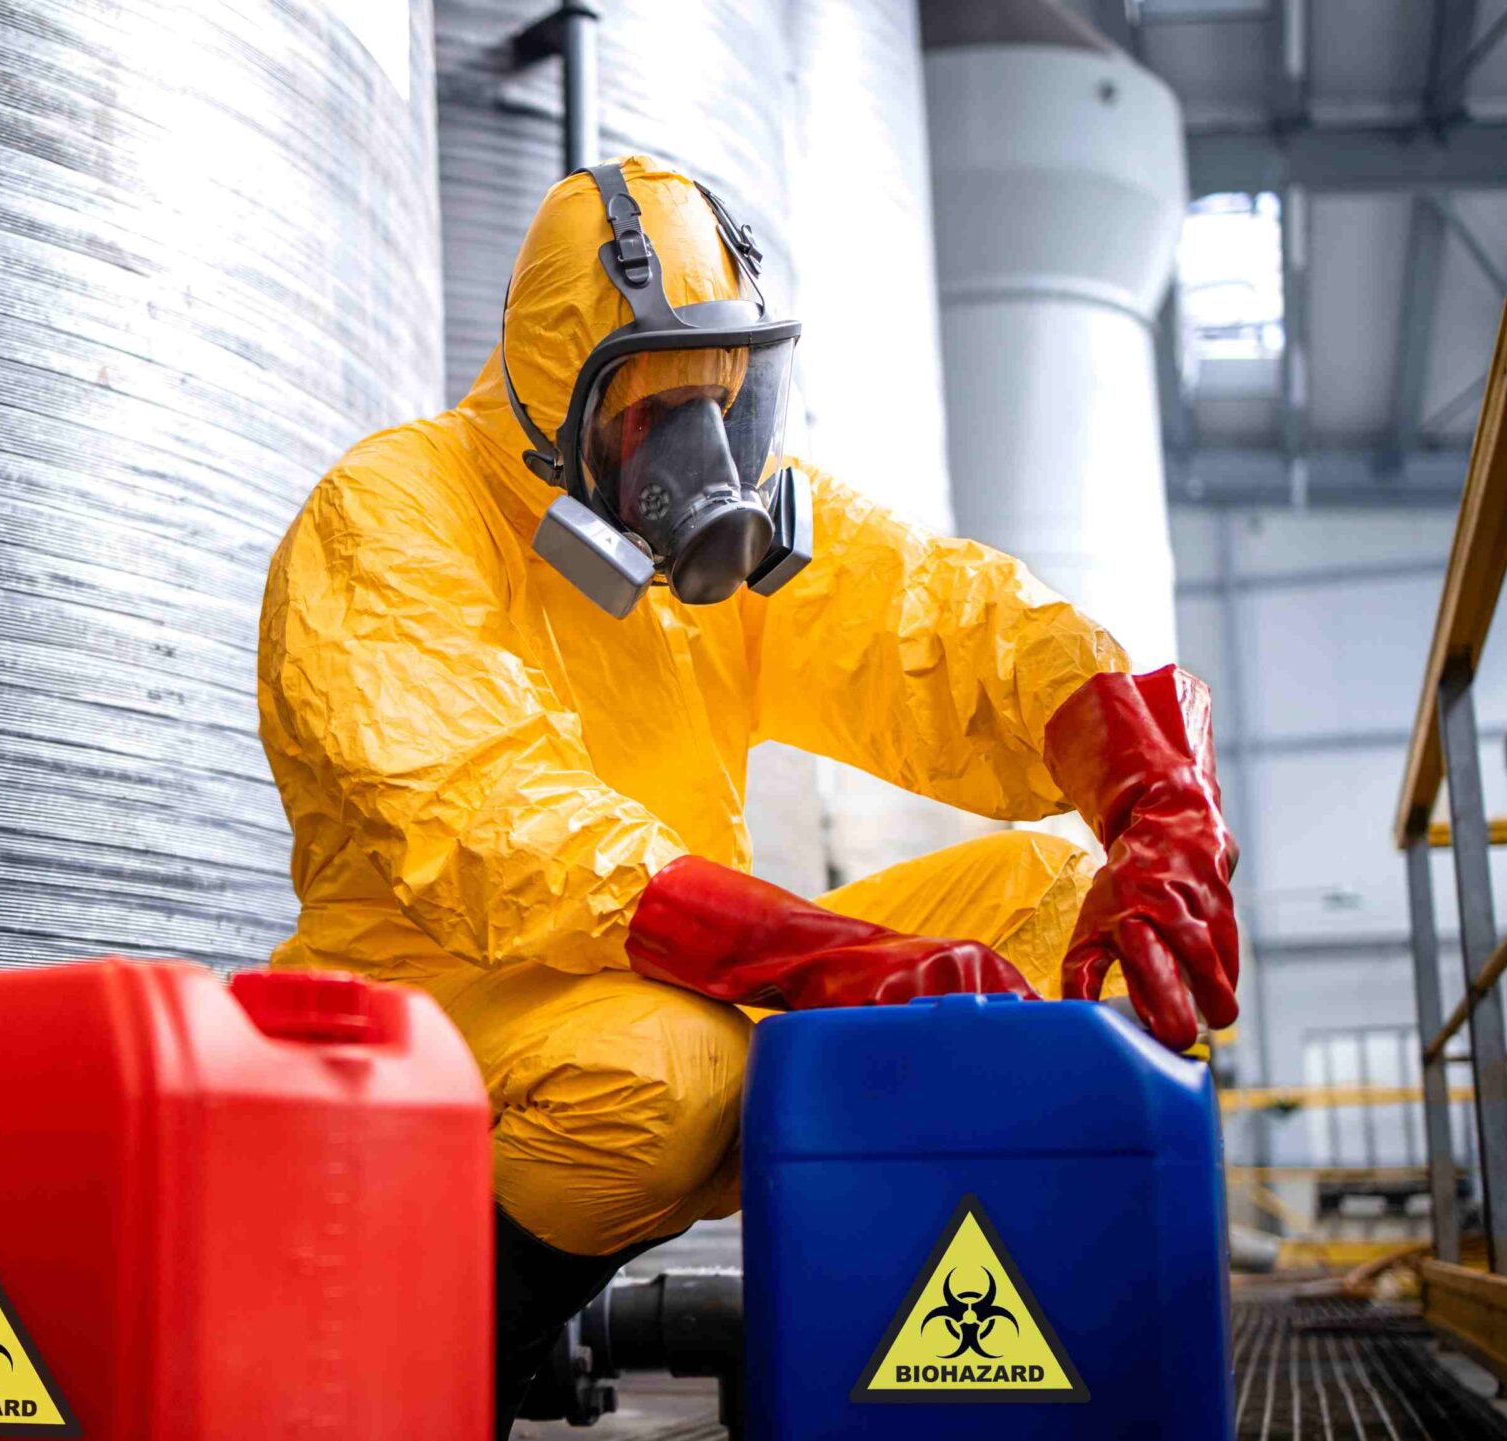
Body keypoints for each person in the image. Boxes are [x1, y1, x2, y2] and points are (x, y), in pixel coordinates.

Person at [255, 156, 1238, 1435]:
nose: (702, 462)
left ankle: (963, 1369)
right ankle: (424, 1371)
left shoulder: (712, 562)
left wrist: (1155, 796)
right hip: (437, 1001)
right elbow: (502, 825)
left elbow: (949, 635)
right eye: (658, 413)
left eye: (727, 399)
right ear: (562, 395)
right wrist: (829, 961)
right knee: (665, 1082)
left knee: (1055, 908)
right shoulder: (389, 515)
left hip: (680, 971)